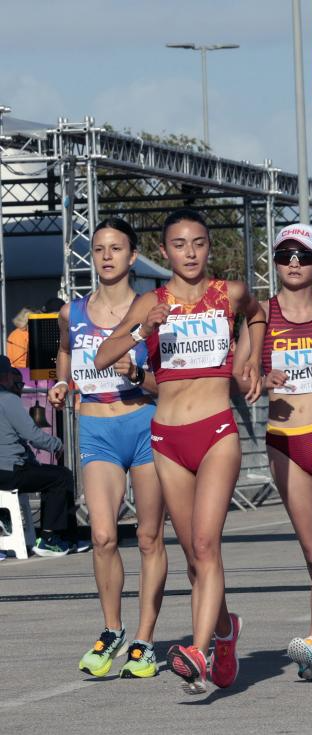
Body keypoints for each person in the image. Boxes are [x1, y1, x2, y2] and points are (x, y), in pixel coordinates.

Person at [95, 208, 265, 694]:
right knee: (193, 556)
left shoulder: (229, 293)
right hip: (168, 438)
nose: (190, 253)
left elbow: (258, 315)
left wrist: (250, 358)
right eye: (179, 244)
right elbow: (104, 357)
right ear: (164, 251)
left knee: (207, 545)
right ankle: (226, 631)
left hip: (216, 431)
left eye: (198, 243)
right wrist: (143, 329)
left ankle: (198, 650)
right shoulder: (151, 301)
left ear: (208, 247)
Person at [233, 224, 312, 681]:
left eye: (303, 256)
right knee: (311, 549)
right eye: (285, 255)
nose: (293, 263)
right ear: (275, 262)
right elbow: (237, 374)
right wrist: (259, 378)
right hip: (284, 441)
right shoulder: (261, 316)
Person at [47, 218, 168, 679]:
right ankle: (112, 629)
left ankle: (144, 640)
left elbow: (167, 383)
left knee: (149, 537)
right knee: (102, 536)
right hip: (97, 429)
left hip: (143, 424)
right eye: (99, 249)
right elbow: (64, 351)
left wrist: (136, 374)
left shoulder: (151, 309)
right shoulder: (71, 312)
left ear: (133, 256)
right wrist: (62, 381)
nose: (106, 256)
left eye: (116, 248)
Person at [0, 356, 77, 556]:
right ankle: (50, 538)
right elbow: (32, 435)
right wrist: (57, 444)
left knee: (46, 474)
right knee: (61, 477)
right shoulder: (7, 399)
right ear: (7, 376)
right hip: (8, 471)